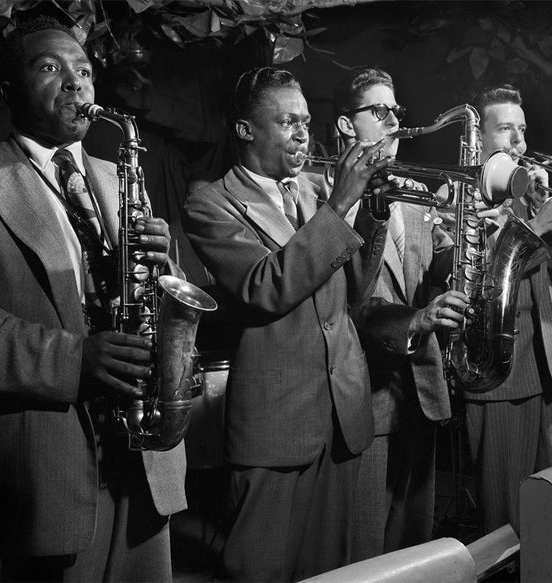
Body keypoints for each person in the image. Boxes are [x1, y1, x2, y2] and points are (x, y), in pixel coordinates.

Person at [0, 16, 187, 581]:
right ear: (6, 88)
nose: (76, 83)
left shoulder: (121, 173)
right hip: (44, 462)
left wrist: (162, 263)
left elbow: (157, 296)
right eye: (51, 67)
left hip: (145, 456)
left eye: (85, 70)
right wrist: (73, 361)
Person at [183, 66, 392, 582]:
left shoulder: (312, 190)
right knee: (263, 571)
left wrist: (374, 213)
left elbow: (356, 293)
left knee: (335, 573)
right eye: (286, 122)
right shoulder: (211, 201)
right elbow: (264, 286)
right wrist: (341, 204)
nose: (303, 133)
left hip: (342, 415)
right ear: (246, 130)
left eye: (305, 120)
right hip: (275, 426)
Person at [332, 67, 470, 560]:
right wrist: (417, 320)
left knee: (417, 551)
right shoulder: (326, 195)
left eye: (397, 111)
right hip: (364, 392)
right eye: (380, 110)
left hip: (421, 388)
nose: (394, 121)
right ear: (348, 125)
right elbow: (352, 302)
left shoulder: (415, 192)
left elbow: (438, 265)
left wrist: (478, 238)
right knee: (366, 550)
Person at [463, 84, 552, 534]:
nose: (519, 142)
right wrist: (536, 225)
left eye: (522, 130)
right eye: (506, 129)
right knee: (508, 520)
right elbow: (476, 283)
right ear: (479, 136)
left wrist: (542, 213)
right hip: (502, 374)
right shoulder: (455, 197)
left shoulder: (528, 194)